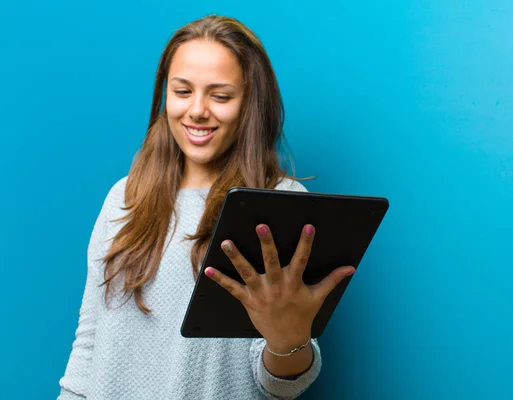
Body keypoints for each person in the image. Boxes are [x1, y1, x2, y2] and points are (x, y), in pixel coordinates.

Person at [58, 15, 355, 400]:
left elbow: (285, 384)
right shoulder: (124, 196)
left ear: (250, 103)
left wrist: (288, 338)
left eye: (220, 96)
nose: (197, 111)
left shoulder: (281, 201)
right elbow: (89, 343)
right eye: (182, 91)